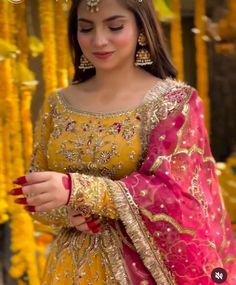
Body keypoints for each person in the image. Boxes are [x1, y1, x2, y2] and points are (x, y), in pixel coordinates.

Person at [9, 0, 236, 284]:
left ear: (141, 29)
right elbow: (38, 191)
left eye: (115, 26)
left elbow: (179, 198)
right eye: (86, 28)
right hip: (68, 268)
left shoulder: (173, 103)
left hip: (139, 272)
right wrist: (69, 212)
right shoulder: (58, 103)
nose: (98, 40)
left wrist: (77, 189)